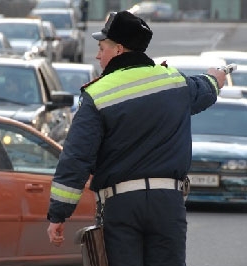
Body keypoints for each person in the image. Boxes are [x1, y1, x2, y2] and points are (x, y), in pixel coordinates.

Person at [46, 10, 226, 266]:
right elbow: (205, 89)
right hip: (168, 203)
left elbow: (76, 157)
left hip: (121, 206)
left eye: (101, 48)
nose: (97, 55)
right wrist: (217, 77)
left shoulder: (98, 94)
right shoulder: (174, 81)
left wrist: (58, 215)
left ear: (118, 49)